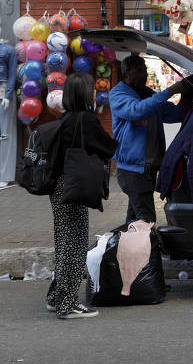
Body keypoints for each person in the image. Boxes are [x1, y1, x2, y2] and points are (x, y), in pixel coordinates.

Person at [46, 73, 118, 319]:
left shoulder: (65, 119)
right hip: (74, 186)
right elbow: (108, 147)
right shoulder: (86, 119)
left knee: (63, 243)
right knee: (75, 246)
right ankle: (68, 304)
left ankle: (56, 297)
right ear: (85, 95)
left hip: (58, 187)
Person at [110, 55, 187, 224]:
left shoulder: (148, 93)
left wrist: (187, 97)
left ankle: (123, 249)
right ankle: (145, 250)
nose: (144, 74)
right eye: (139, 70)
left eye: (145, 69)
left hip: (148, 169)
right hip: (133, 170)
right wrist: (170, 91)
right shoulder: (118, 94)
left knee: (134, 221)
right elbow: (137, 111)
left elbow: (174, 114)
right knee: (146, 221)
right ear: (126, 73)